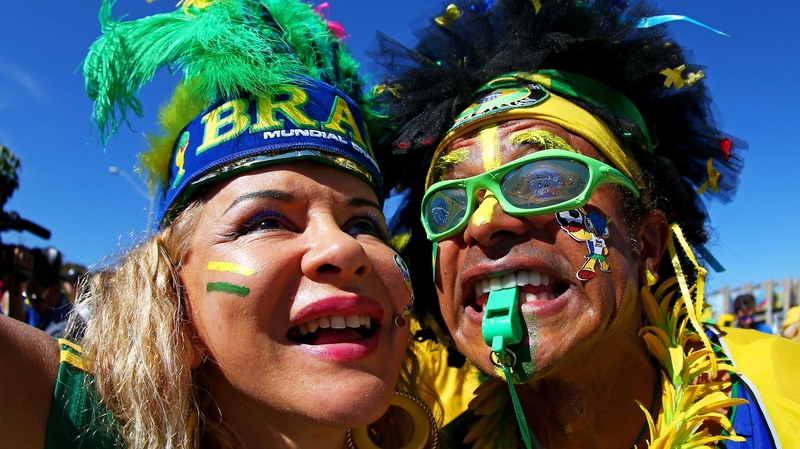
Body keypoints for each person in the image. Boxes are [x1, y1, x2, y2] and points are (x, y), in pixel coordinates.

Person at [0, 0, 439, 447]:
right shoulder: (84, 426)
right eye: (265, 221)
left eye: (364, 225)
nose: (345, 249)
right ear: (176, 302)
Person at [370, 0, 800, 447]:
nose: (483, 223)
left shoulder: (787, 396)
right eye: (448, 203)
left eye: (545, 179)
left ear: (648, 244)